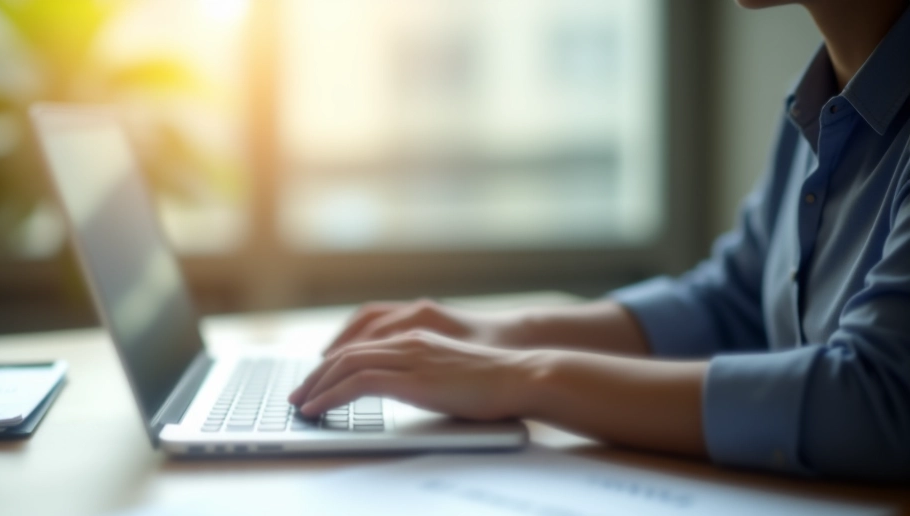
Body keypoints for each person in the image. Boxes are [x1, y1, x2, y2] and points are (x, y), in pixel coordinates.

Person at [290, 0, 910, 481]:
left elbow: (875, 398)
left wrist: (523, 377)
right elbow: (736, 301)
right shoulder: (821, 99)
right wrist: (499, 334)